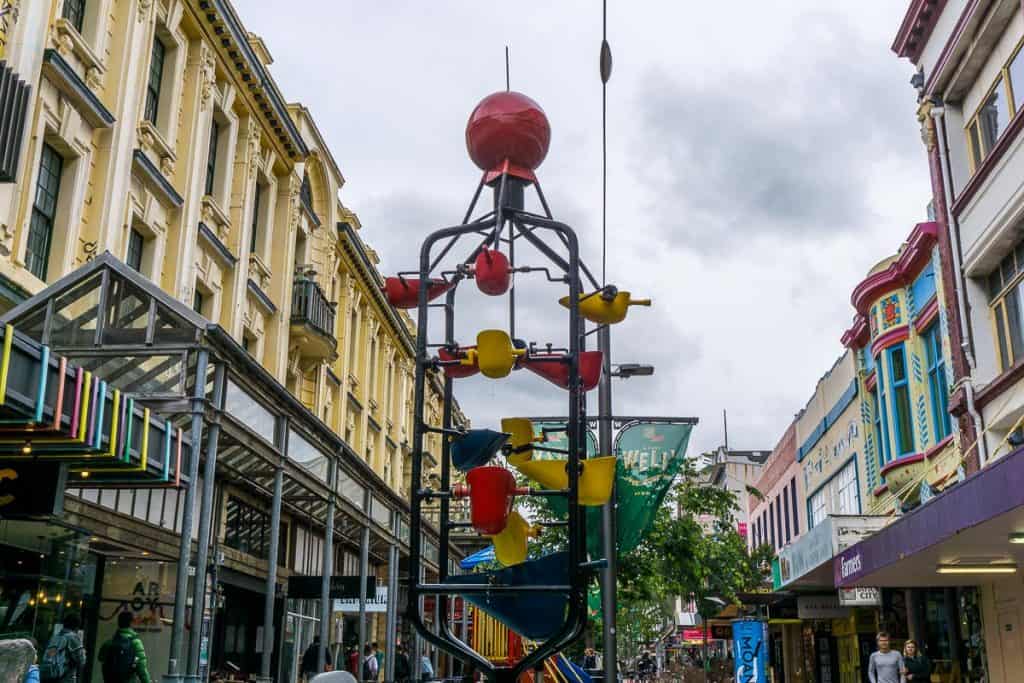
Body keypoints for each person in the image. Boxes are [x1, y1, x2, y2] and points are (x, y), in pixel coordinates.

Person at [98, 611, 150, 683]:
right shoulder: (136, 642)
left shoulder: (108, 643)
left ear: (118, 623)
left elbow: (101, 658)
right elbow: (141, 668)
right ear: (131, 623)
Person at [40, 614, 86, 683]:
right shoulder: (73, 637)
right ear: (77, 626)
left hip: (49, 676)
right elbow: (81, 660)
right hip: (65, 678)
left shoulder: (55, 637)